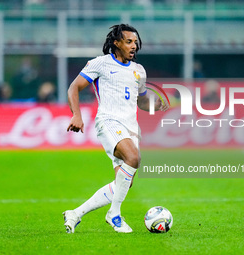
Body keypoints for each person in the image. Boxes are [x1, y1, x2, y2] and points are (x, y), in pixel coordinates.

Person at [63, 24, 168, 234]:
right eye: (129, 42)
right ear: (116, 43)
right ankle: (114, 214)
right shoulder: (99, 64)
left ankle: (75, 213)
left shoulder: (139, 70)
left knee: (124, 183)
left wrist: (155, 104)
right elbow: (74, 87)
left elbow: (140, 100)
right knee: (134, 158)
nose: (133, 46)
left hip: (131, 128)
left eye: (135, 43)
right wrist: (76, 114)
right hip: (108, 121)